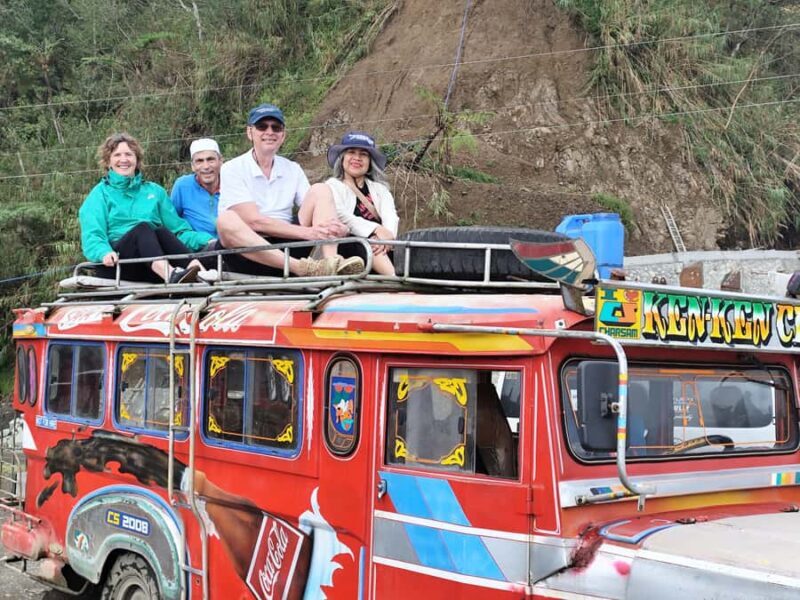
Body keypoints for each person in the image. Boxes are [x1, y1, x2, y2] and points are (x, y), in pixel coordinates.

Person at [216, 103, 364, 277]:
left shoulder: (292, 168)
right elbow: (253, 222)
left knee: (321, 190)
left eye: (276, 127)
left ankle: (332, 262)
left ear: (283, 135)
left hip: (289, 242)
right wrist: (310, 233)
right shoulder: (232, 168)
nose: (269, 132)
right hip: (249, 251)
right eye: (262, 126)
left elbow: (318, 208)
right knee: (226, 220)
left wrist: (338, 228)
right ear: (250, 132)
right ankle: (303, 268)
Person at [79, 132, 212, 284]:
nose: (124, 160)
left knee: (161, 231)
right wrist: (103, 252)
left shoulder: (154, 191)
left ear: (136, 160)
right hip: (118, 264)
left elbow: (178, 230)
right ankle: (171, 275)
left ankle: (201, 274)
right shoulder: (100, 194)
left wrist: (207, 240)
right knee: (142, 228)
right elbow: (92, 234)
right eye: (117, 155)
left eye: (129, 154)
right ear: (108, 161)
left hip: (150, 265)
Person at [304, 131, 399, 275]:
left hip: (381, 246)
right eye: (351, 152)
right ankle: (395, 281)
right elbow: (341, 215)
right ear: (342, 159)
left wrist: (386, 238)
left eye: (363, 154)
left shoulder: (380, 189)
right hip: (347, 246)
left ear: (370, 162)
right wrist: (375, 229)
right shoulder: (331, 186)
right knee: (369, 245)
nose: (357, 158)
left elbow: (391, 216)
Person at [171, 138, 222, 237]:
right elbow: (173, 222)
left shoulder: (233, 183)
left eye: (210, 160)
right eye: (199, 161)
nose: (206, 166)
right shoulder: (182, 186)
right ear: (192, 166)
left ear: (220, 161)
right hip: (199, 248)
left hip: (233, 245)